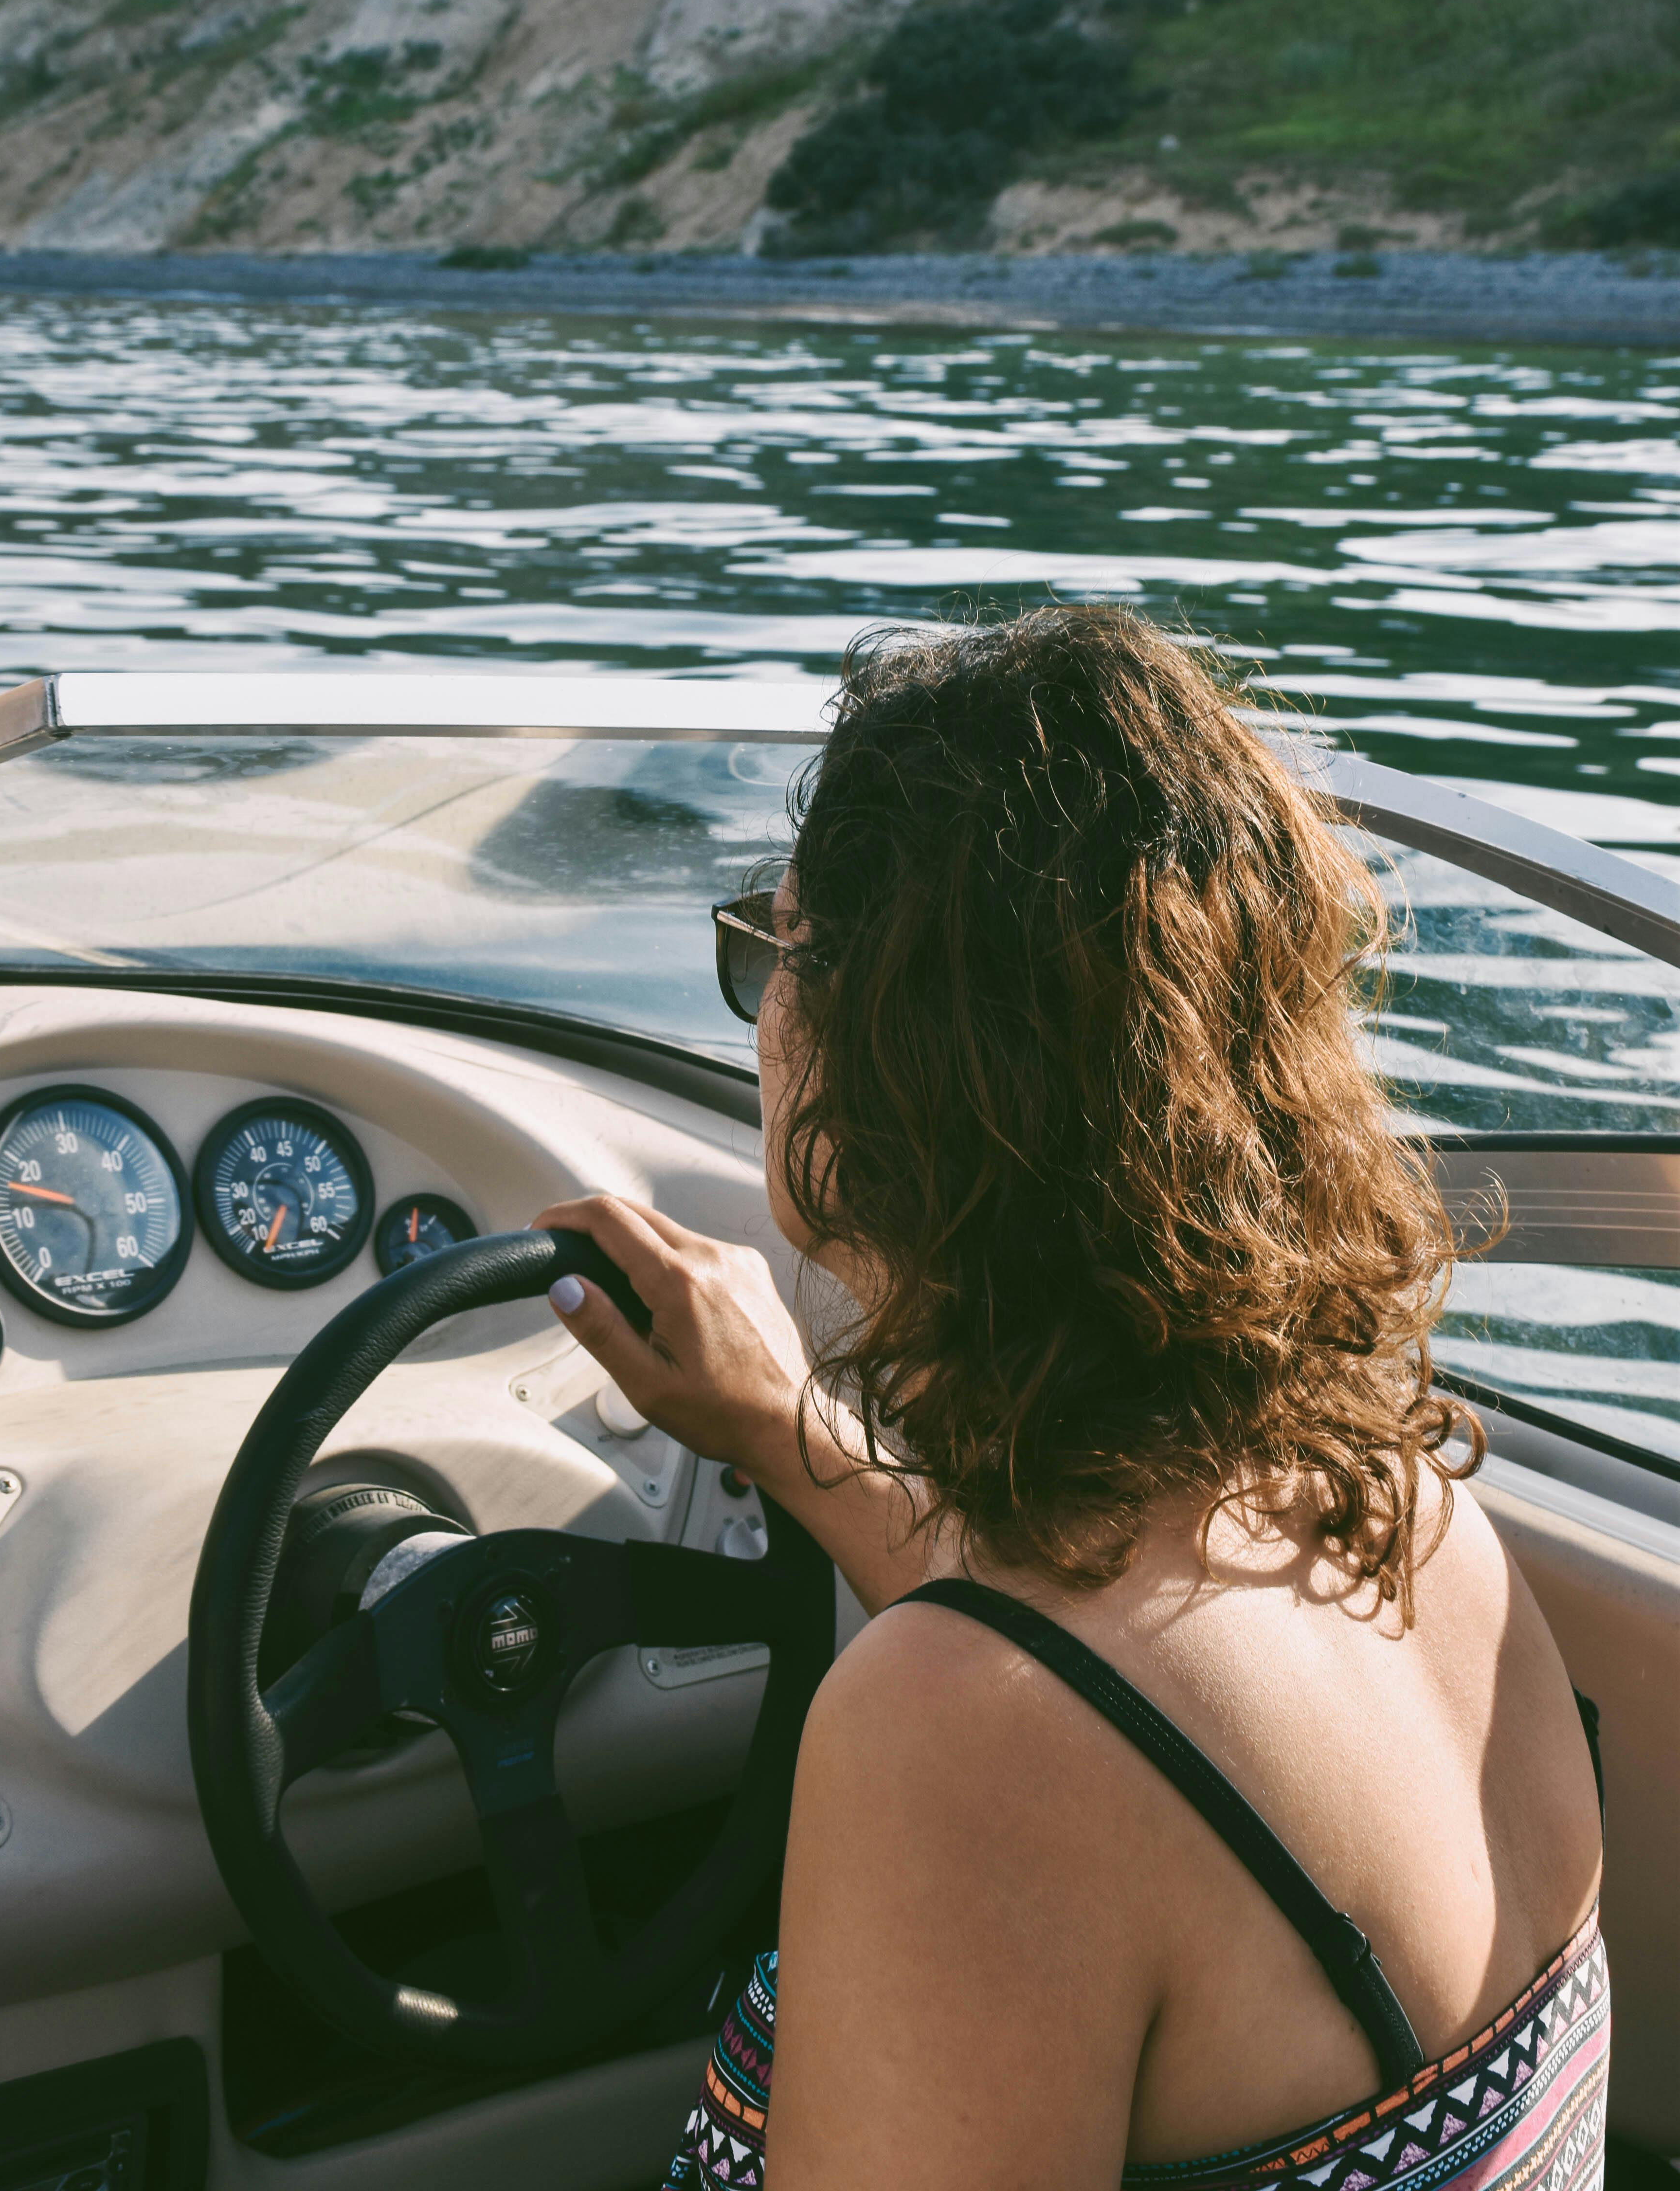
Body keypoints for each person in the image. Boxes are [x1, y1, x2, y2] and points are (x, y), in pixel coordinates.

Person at [533, 609, 1608, 2191]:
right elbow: (1131, 1705)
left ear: (868, 1052)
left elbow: (1051, 1737)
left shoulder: (955, 1746)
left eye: (769, 950)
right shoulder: (1419, 1530)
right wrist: (787, 1439)